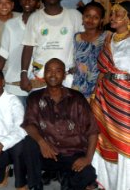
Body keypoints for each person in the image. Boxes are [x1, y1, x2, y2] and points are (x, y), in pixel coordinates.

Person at [22, 58, 99, 190]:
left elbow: (92, 131)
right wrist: (41, 142)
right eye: (49, 71)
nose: (53, 74)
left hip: (72, 153)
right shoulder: (35, 97)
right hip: (48, 153)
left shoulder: (77, 98)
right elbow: (29, 124)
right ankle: (35, 185)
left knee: (88, 175)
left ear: (64, 75)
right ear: (44, 74)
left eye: (58, 71)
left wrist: (87, 158)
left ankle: (66, 178)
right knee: (28, 143)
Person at [91, 1, 130, 190]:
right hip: (105, 94)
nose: (112, 18)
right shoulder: (109, 38)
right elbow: (102, 69)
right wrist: (95, 94)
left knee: (124, 137)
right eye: (112, 13)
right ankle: (107, 182)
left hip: (125, 98)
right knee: (103, 136)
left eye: (117, 14)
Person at [20, 0, 83, 92]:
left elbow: (84, 43)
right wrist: (23, 73)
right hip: (40, 75)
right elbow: (28, 47)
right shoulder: (34, 18)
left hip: (67, 76)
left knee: (67, 109)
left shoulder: (75, 15)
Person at [0, 0, 41, 105]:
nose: (28, 1)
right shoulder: (11, 25)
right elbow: (3, 52)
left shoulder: (43, 24)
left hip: (38, 83)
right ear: (20, 1)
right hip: (14, 82)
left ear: (38, 3)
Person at [71, 1, 110, 100]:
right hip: (77, 87)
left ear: (101, 20)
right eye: (87, 16)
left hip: (99, 88)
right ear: (82, 17)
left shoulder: (107, 37)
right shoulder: (77, 37)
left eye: (95, 17)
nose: (90, 20)